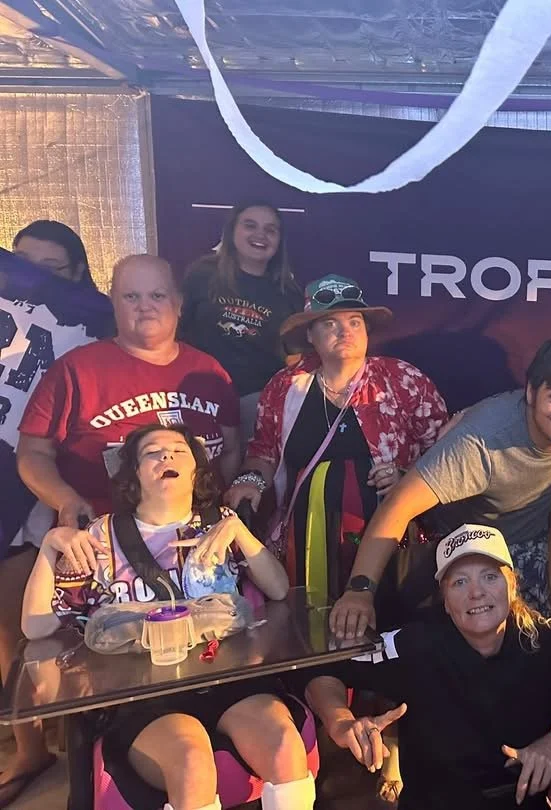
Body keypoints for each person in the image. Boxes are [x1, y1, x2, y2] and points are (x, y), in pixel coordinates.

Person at [21, 423, 315, 810]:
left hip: (227, 679)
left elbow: (279, 589)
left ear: (197, 470)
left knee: (283, 745)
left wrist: (239, 531)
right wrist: (49, 547)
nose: (166, 458)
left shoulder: (219, 524)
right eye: (152, 452)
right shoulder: (99, 537)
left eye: (179, 451)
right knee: (192, 765)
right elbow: (37, 626)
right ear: (134, 473)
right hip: (141, 697)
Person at [328, 337, 551, 639]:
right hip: (461, 544)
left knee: (532, 649)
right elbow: (397, 508)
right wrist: (360, 590)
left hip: (526, 544)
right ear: (530, 392)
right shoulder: (479, 442)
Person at [304, 523, 551, 810]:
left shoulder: (549, 646)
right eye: (460, 582)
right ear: (445, 600)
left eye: (489, 577)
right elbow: (322, 671)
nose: (477, 593)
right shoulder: (414, 646)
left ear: (512, 587)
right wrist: (342, 721)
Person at [223, 274, 447, 608]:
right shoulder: (285, 387)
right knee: (309, 627)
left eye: (355, 322)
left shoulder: (402, 379)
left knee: (388, 622)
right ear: (310, 335)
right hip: (305, 541)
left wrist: (407, 476)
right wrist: (250, 480)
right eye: (330, 323)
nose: (346, 332)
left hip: (390, 539)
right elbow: (264, 452)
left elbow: (444, 453)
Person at [0, 221, 112, 807]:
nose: (34, 280)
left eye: (51, 269)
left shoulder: (93, 323)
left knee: (35, 625)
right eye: (23, 265)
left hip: (53, 486)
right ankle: (29, 744)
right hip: (8, 465)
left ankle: (62, 739)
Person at [18, 253, 242, 529]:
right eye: (131, 297)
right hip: (103, 542)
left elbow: (231, 449)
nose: (145, 306)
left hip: (198, 540)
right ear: (114, 304)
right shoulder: (75, 369)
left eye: (157, 296)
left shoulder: (210, 371)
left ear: (179, 303)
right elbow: (32, 453)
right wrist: (65, 499)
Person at [180, 202, 303, 440]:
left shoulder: (288, 292)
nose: (260, 235)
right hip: (201, 396)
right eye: (250, 225)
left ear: (279, 241)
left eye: (270, 230)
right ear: (231, 231)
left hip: (255, 401)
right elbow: (179, 329)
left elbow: (295, 356)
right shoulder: (202, 274)